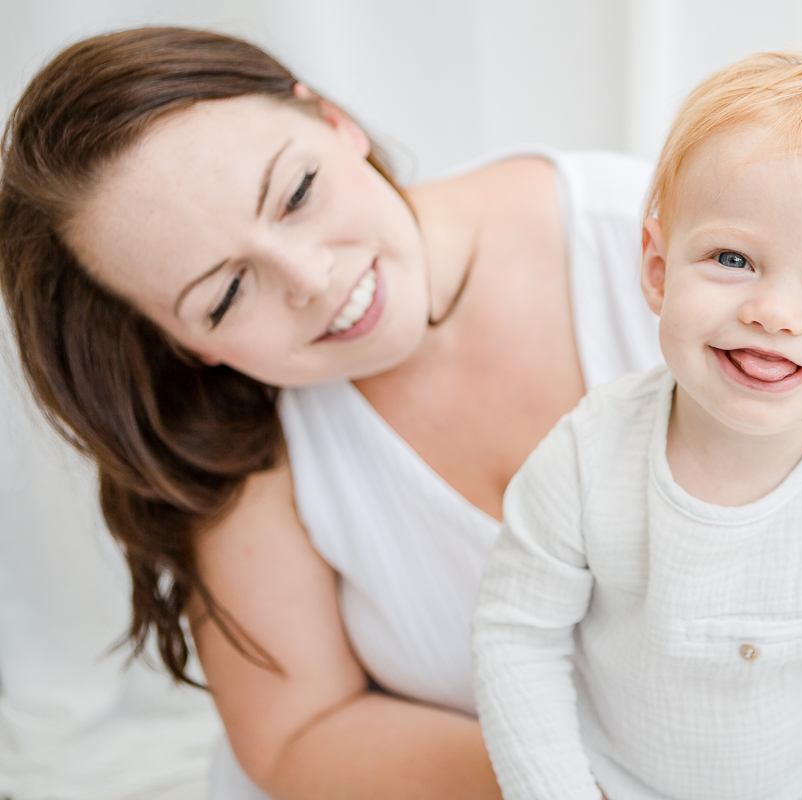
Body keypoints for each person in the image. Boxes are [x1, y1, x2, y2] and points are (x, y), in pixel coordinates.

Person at [0, 26, 659, 800]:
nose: (310, 277)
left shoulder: (657, 242)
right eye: (225, 295)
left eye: (298, 193)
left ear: (332, 121)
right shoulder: (238, 437)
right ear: (182, 343)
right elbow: (298, 735)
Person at [472, 52, 802, 800]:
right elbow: (517, 634)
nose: (774, 312)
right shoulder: (586, 454)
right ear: (659, 270)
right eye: (733, 258)